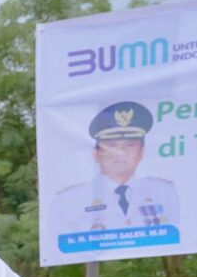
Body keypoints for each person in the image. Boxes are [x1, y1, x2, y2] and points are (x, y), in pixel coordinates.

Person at [51, 100, 179, 236]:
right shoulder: (68, 200)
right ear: (96, 153)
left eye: (129, 145)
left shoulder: (164, 192)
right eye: (111, 145)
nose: (120, 153)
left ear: (142, 152)